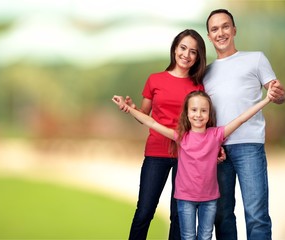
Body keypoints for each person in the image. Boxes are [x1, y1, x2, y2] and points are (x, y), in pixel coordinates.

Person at [112, 83, 274, 240]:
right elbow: (152, 122)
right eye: (194, 110)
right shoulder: (181, 136)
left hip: (209, 200)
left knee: (205, 236)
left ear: (209, 114)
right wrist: (129, 109)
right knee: (188, 237)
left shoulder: (216, 134)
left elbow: (241, 119)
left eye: (204, 110)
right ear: (187, 113)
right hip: (185, 199)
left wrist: (266, 99)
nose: (198, 114)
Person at [115, 29, 207, 240]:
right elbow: (144, 116)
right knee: (145, 211)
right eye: (183, 48)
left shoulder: (198, 85)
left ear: (197, 56)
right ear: (175, 49)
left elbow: (201, 122)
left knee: (179, 215)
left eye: (193, 51)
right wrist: (132, 108)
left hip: (186, 157)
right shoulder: (155, 80)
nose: (186, 54)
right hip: (156, 153)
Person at [204, 9, 285, 240]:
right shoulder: (206, 72)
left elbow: (276, 94)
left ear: (234, 30)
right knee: (221, 215)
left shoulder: (256, 58)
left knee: (257, 215)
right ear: (209, 36)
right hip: (217, 150)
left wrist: (279, 94)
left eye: (225, 26)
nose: (221, 32)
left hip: (249, 145)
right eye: (215, 29)